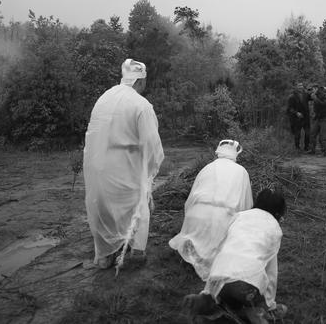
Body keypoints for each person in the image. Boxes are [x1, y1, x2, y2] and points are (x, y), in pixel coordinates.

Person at [83, 58, 165, 270]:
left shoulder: (104, 98)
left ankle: (104, 256)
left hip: (100, 169)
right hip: (127, 168)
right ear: (141, 80)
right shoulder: (141, 105)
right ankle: (136, 251)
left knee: (106, 210)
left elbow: (92, 134)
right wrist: (149, 170)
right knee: (138, 205)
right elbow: (151, 144)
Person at [182, 189, 288, 324]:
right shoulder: (274, 229)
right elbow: (271, 273)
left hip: (218, 278)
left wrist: (207, 290)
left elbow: (220, 251)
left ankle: (208, 303)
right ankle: (259, 314)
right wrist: (270, 305)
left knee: (228, 297)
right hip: (245, 284)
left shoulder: (239, 216)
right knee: (254, 311)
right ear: (278, 213)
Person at [168, 139, 253, 281]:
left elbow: (190, 200)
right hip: (223, 219)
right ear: (235, 154)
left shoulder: (207, 168)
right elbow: (246, 206)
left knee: (202, 238)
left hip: (196, 217)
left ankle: (195, 251)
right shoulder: (241, 171)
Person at [286, 82, 311, 152]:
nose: (301, 87)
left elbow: (312, 97)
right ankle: (297, 148)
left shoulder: (306, 94)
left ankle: (307, 147)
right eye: (299, 85)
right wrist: (296, 113)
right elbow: (289, 108)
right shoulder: (292, 96)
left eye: (302, 85)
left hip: (306, 117)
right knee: (297, 134)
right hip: (297, 118)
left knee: (308, 133)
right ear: (296, 87)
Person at [311, 85, 326, 155]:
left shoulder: (324, 95)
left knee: (323, 135)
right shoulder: (315, 95)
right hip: (318, 117)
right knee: (312, 133)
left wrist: (315, 98)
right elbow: (317, 107)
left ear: (316, 89)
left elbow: (323, 104)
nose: (312, 91)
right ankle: (312, 149)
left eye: (312, 89)